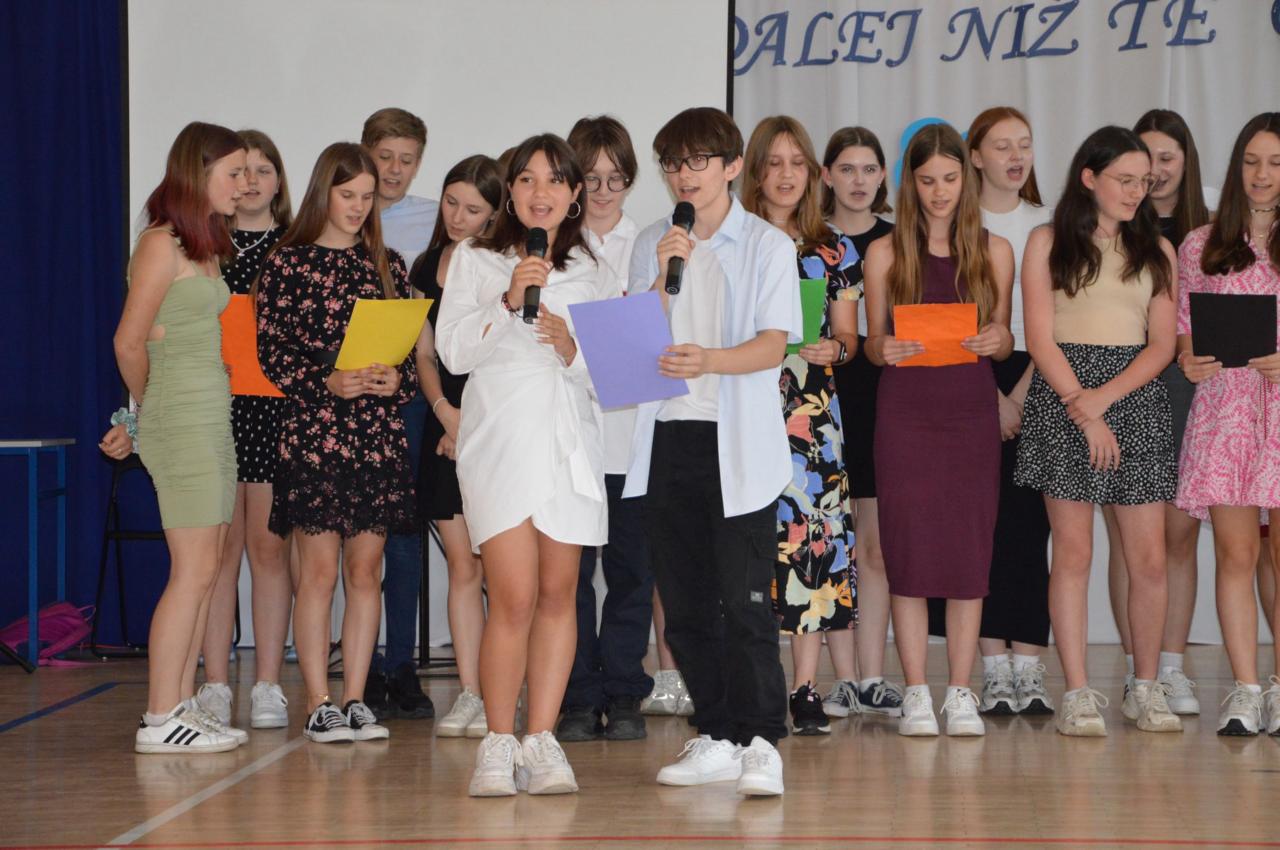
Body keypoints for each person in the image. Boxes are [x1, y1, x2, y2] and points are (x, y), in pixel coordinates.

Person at [626, 106, 800, 796]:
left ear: (731, 166)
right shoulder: (654, 241)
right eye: (673, 162)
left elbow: (773, 345)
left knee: (745, 601)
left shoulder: (765, 244)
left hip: (737, 443)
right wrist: (659, 278)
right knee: (687, 605)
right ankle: (720, 732)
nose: (684, 174)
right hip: (668, 439)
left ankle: (762, 740)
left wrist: (710, 360)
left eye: (698, 160)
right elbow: (633, 347)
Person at [436, 134, 611, 796]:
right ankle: (497, 740)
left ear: (574, 194)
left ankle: (541, 739)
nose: (542, 193)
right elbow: (453, 354)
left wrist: (573, 349)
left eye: (556, 180)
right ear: (510, 191)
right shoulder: (475, 258)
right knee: (512, 596)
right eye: (528, 180)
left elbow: (613, 372)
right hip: (501, 440)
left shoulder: (594, 269)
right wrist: (508, 301)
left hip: (567, 443)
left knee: (560, 594)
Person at [1015, 125, 1181, 737]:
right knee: (1074, 553)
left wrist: (1102, 404)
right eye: (1125, 180)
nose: (1137, 191)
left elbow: (1161, 344)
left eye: (1144, 181)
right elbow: (1040, 338)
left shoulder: (1156, 249)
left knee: (1149, 559)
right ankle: (1079, 693)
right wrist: (1081, 408)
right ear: (1089, 177)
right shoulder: (1047, 241)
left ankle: (1146, 687)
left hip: (1132, 397)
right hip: (1065, 395)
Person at [256, 142, 418, 744]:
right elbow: (271, 352)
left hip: (375, 434)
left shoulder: (388, 263)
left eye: (367, 197)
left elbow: (407, 355)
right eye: (347, 195)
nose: (357, 207)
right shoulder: (288, 262)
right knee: (319, 572)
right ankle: (318, 701)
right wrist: (324, 382)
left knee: (366, 570)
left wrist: (396, 381)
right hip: (315, 432)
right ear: (323, 191)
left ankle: (355, 698)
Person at [100, 121, 248, 753]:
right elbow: (127, 342)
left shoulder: (202, 244)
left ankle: (182, 704)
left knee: (207, 569)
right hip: (180, 419)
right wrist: (145, 413)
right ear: (198, 172)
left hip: (210, 417)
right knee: (191, 571)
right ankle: (161, 716)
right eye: (233, 173)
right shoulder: (160, 244)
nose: (244, 185)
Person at [863, 122, 1014, 738]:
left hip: (970, 416)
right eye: (927, 181)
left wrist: (997, 339)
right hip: (905, 416)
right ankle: (917, 693)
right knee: (908, 552)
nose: (940, 191)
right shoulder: (884, 252)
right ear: (910, 184)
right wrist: (883, 348)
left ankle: (959, 692)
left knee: (967, 555)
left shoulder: (995, 250)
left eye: (950, 178)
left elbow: (1005, 336)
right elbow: (871, 342)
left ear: (967, 179)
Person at [741, 115, 857, 736]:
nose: (786, 175)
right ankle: (748, 684)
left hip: (810, 416)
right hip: (743, 404)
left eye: (797, 163)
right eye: (774, 162)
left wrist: (833, 349)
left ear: (812, 172)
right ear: (754, 170)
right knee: (749, 545)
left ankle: (805, 688)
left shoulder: (834, 248)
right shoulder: (731, 241)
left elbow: (850, 338)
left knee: (812, 542)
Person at [1173, 113, 1280, 736]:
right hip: (1226, 411)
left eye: (1275, 163)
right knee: (1236, 553)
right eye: (1252, 161)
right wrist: (1189, 358)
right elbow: (1186, 330)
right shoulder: (1201, 243)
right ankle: (1245, 689)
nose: (1262, 174)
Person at [1102, 109, 1211, 716]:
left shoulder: (1211, 231)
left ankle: (1171, 667)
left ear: (1185, 162)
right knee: (1128, 539)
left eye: (1167, 158)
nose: (1154, 172)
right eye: (1144, 161)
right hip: (1124, 386)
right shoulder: (1110, 225)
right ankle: (1134, 667)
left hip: (1193, 389)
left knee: (1179, 535)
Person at [555, 115, 655, 743]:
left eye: (614, 179)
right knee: (569, 578)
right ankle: (574, 694)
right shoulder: (553, 249)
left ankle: (623, 692)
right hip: (569, 436)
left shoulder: (647, 246)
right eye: (590, 179)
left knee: (631, 575)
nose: (602, 191)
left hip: (631, 433)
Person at [955, 106, 1054, 716]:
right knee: (980, 528)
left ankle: (1030, 666)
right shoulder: (956, 223)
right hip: (969, 376)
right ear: (975, 156)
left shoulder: (1049, 224)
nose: (1015, 157)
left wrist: (1019, 395)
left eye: (1025, 144)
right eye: (1001, 146)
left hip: (1041, 375)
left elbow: (1061, 322)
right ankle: (993, 666)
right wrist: (989, 394)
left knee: (1031, 527)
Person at [196, 129, 294, 733]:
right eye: (241, 171)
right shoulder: (205, 244)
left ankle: (267, 684)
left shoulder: (295, 247)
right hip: (215, 407)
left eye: (263, 170)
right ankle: (213, 682)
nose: (251, 182)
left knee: (269, 549)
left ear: (280, 180)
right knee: (217, 553)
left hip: (276, 410)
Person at [410, 154, 503, 738]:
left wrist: (471, 425)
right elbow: (424, 353)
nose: (457, 216)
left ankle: (501, 690)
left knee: (500, 568)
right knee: (463, 565)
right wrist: (446, 415)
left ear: (494, 215)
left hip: (494, 424)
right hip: (445, 423)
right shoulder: (425, 265)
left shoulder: (502, 264)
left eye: (472, 209)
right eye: (450, 202)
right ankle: (470, 692)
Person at [819, 126, 903, 719]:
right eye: (846, 169)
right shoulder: (807, 241)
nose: (858, 180)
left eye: (869, 168)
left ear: (882, 176)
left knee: (873, 547)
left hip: (883, 399)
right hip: (816, 401)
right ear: (826, 176)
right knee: (830, 541)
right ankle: (841, 678)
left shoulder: (899, 242)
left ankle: (873, 676)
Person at [361, 107, 439, 719]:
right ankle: (360, 667)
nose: (394, 170)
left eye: (406, 159)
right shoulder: (341, 213)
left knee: (405, 530)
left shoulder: (433, 220)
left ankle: (400, 663)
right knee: (358, 532)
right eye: (384, 156)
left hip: (410, 392)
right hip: (349, 393)